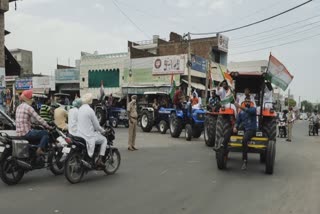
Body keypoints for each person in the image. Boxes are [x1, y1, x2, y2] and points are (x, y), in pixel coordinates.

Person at [15, 90, 52, 156]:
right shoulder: (28, 108)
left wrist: (32, 124)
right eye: (31, 98)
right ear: (28, 98)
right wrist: (48, 126)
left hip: (19, 133)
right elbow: (39, 119)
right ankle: (39, 149)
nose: (33, 99)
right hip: (26, 133)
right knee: (45, 133)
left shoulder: (18, 107)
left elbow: (25, 120)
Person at [78, 93, 107, 167]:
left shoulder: (80, 109)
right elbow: (97, 126)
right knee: (104, 140)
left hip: (79, 135)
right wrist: (103, 131)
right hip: (88, 136)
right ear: (91, 101)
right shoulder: (90, 110)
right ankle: (100, 160)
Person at [233, 96, 257, 170]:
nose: (247, 102)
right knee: (230, 130)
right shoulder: (241, 112)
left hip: (251, 129)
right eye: (246, 101)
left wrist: (239, 106)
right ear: (244, 102)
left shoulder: (253, 109)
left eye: (248, 101)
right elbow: (237, 121)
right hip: (244, 127)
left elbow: (248, 111)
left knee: (244, 139)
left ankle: (245, 161)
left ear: (250, 103)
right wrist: (235, 127)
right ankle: (222, 145)